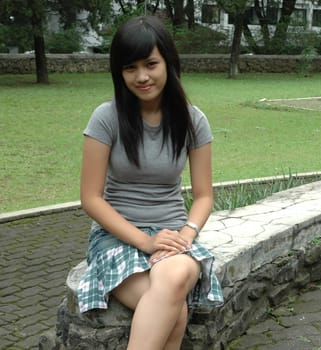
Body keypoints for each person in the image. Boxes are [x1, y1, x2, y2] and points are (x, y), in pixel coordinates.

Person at [77, 15, 223, 349]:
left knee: (173, 280)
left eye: (151, 64)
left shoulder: (192, 121)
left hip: (173, 237)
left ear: (168, 63)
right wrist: (145, 241)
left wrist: (185, 236)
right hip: (117, 237)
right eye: (130, 68)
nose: (142, 77)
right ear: (120, 73)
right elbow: (91, 198)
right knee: (176, 310)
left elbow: (203, 196)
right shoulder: (106, 118)